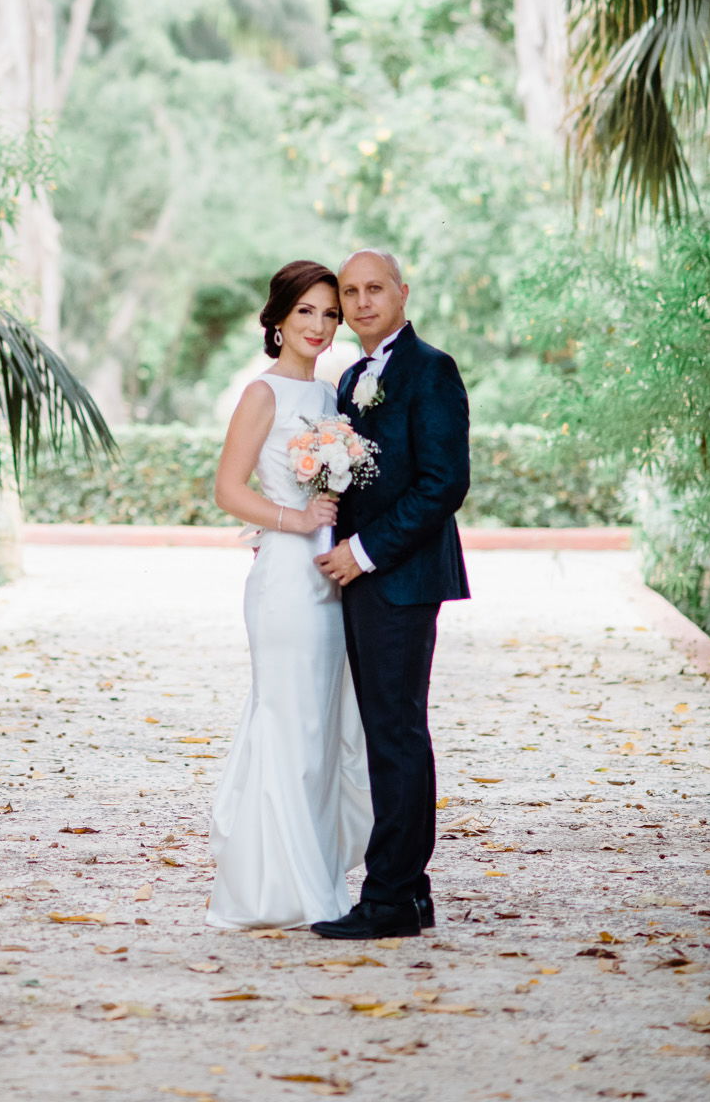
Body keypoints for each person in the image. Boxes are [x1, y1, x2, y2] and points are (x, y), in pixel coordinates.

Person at [310, 248, 470, 941]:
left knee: (396, 734)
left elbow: (443, 483)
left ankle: (388, 897)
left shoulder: (429, 370)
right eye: (349, 291)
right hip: (360, 578)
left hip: (399, 580)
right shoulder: (350, 378)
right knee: (383, 733)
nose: (361, 301)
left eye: (374, 288)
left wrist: (364, 554)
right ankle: (410, 894)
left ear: (402, 292)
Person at [207, 260, 372, 930]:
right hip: (283, 575)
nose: (320, 325)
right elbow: (227, 488)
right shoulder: (262, 394)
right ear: (277, 320)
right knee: (288, 722)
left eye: (330, 314)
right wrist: (295, 519)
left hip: (332, 575)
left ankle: (317, 873)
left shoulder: (332, 396)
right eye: (306, 311)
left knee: (326, 729)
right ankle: (284, 888)